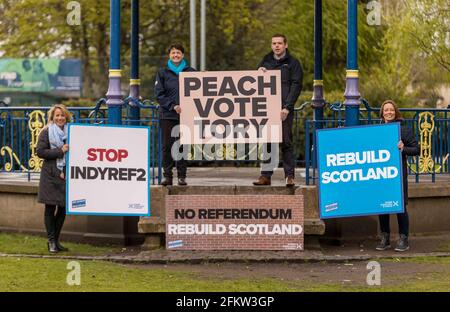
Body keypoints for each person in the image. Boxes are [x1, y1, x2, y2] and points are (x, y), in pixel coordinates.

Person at [253, 34, 303, 187]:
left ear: (285, 45)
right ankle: (265, 176)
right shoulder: (265, 61)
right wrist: (258, 73)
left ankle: (289, 176)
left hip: (284, 110)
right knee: (268, 142)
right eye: (274, 43)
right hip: (267, 109)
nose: (277, 46)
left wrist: (287, 107)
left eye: (280, 43)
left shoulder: (293, 63)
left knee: (286, 142)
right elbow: (255, 85)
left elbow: (296, 86)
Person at [376, 100, 419, 252]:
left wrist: (403, 148)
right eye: (386, 110)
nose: (389, 112)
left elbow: (416, 149)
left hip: (398, 174)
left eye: (391, 110)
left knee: (400, 206)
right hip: (381, 174)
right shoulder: (377, 130)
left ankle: (403, 238)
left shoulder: (404, 130)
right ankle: (385, 237)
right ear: (382, 113)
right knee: (382, 205)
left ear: (396, 112)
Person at [155, 43, 196, 186]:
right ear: (169, 55)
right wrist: (173, 106)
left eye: (178, 53)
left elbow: (199, 91)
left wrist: (205, 76)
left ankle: (182, 176)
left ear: (183, 55)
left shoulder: (191, 72)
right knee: (167, 147)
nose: (176, 55)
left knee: (182, 146)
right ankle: (168, 176)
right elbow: (159, 95)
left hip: (185, 116)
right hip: (167, 115)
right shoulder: (162, 72)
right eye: (173, 53)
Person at [36, 104, 70, 253]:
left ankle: (56, 240)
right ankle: (51, 242)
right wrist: (60, 151)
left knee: (63, 209)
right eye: (57, 115)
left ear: (66, 117)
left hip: (66, 174)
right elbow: (40, 152)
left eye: (62, 115)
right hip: (50, 174)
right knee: (50, 208)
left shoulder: (71, 131)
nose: (60, 118)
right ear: (52, 117)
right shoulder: (46, 131)